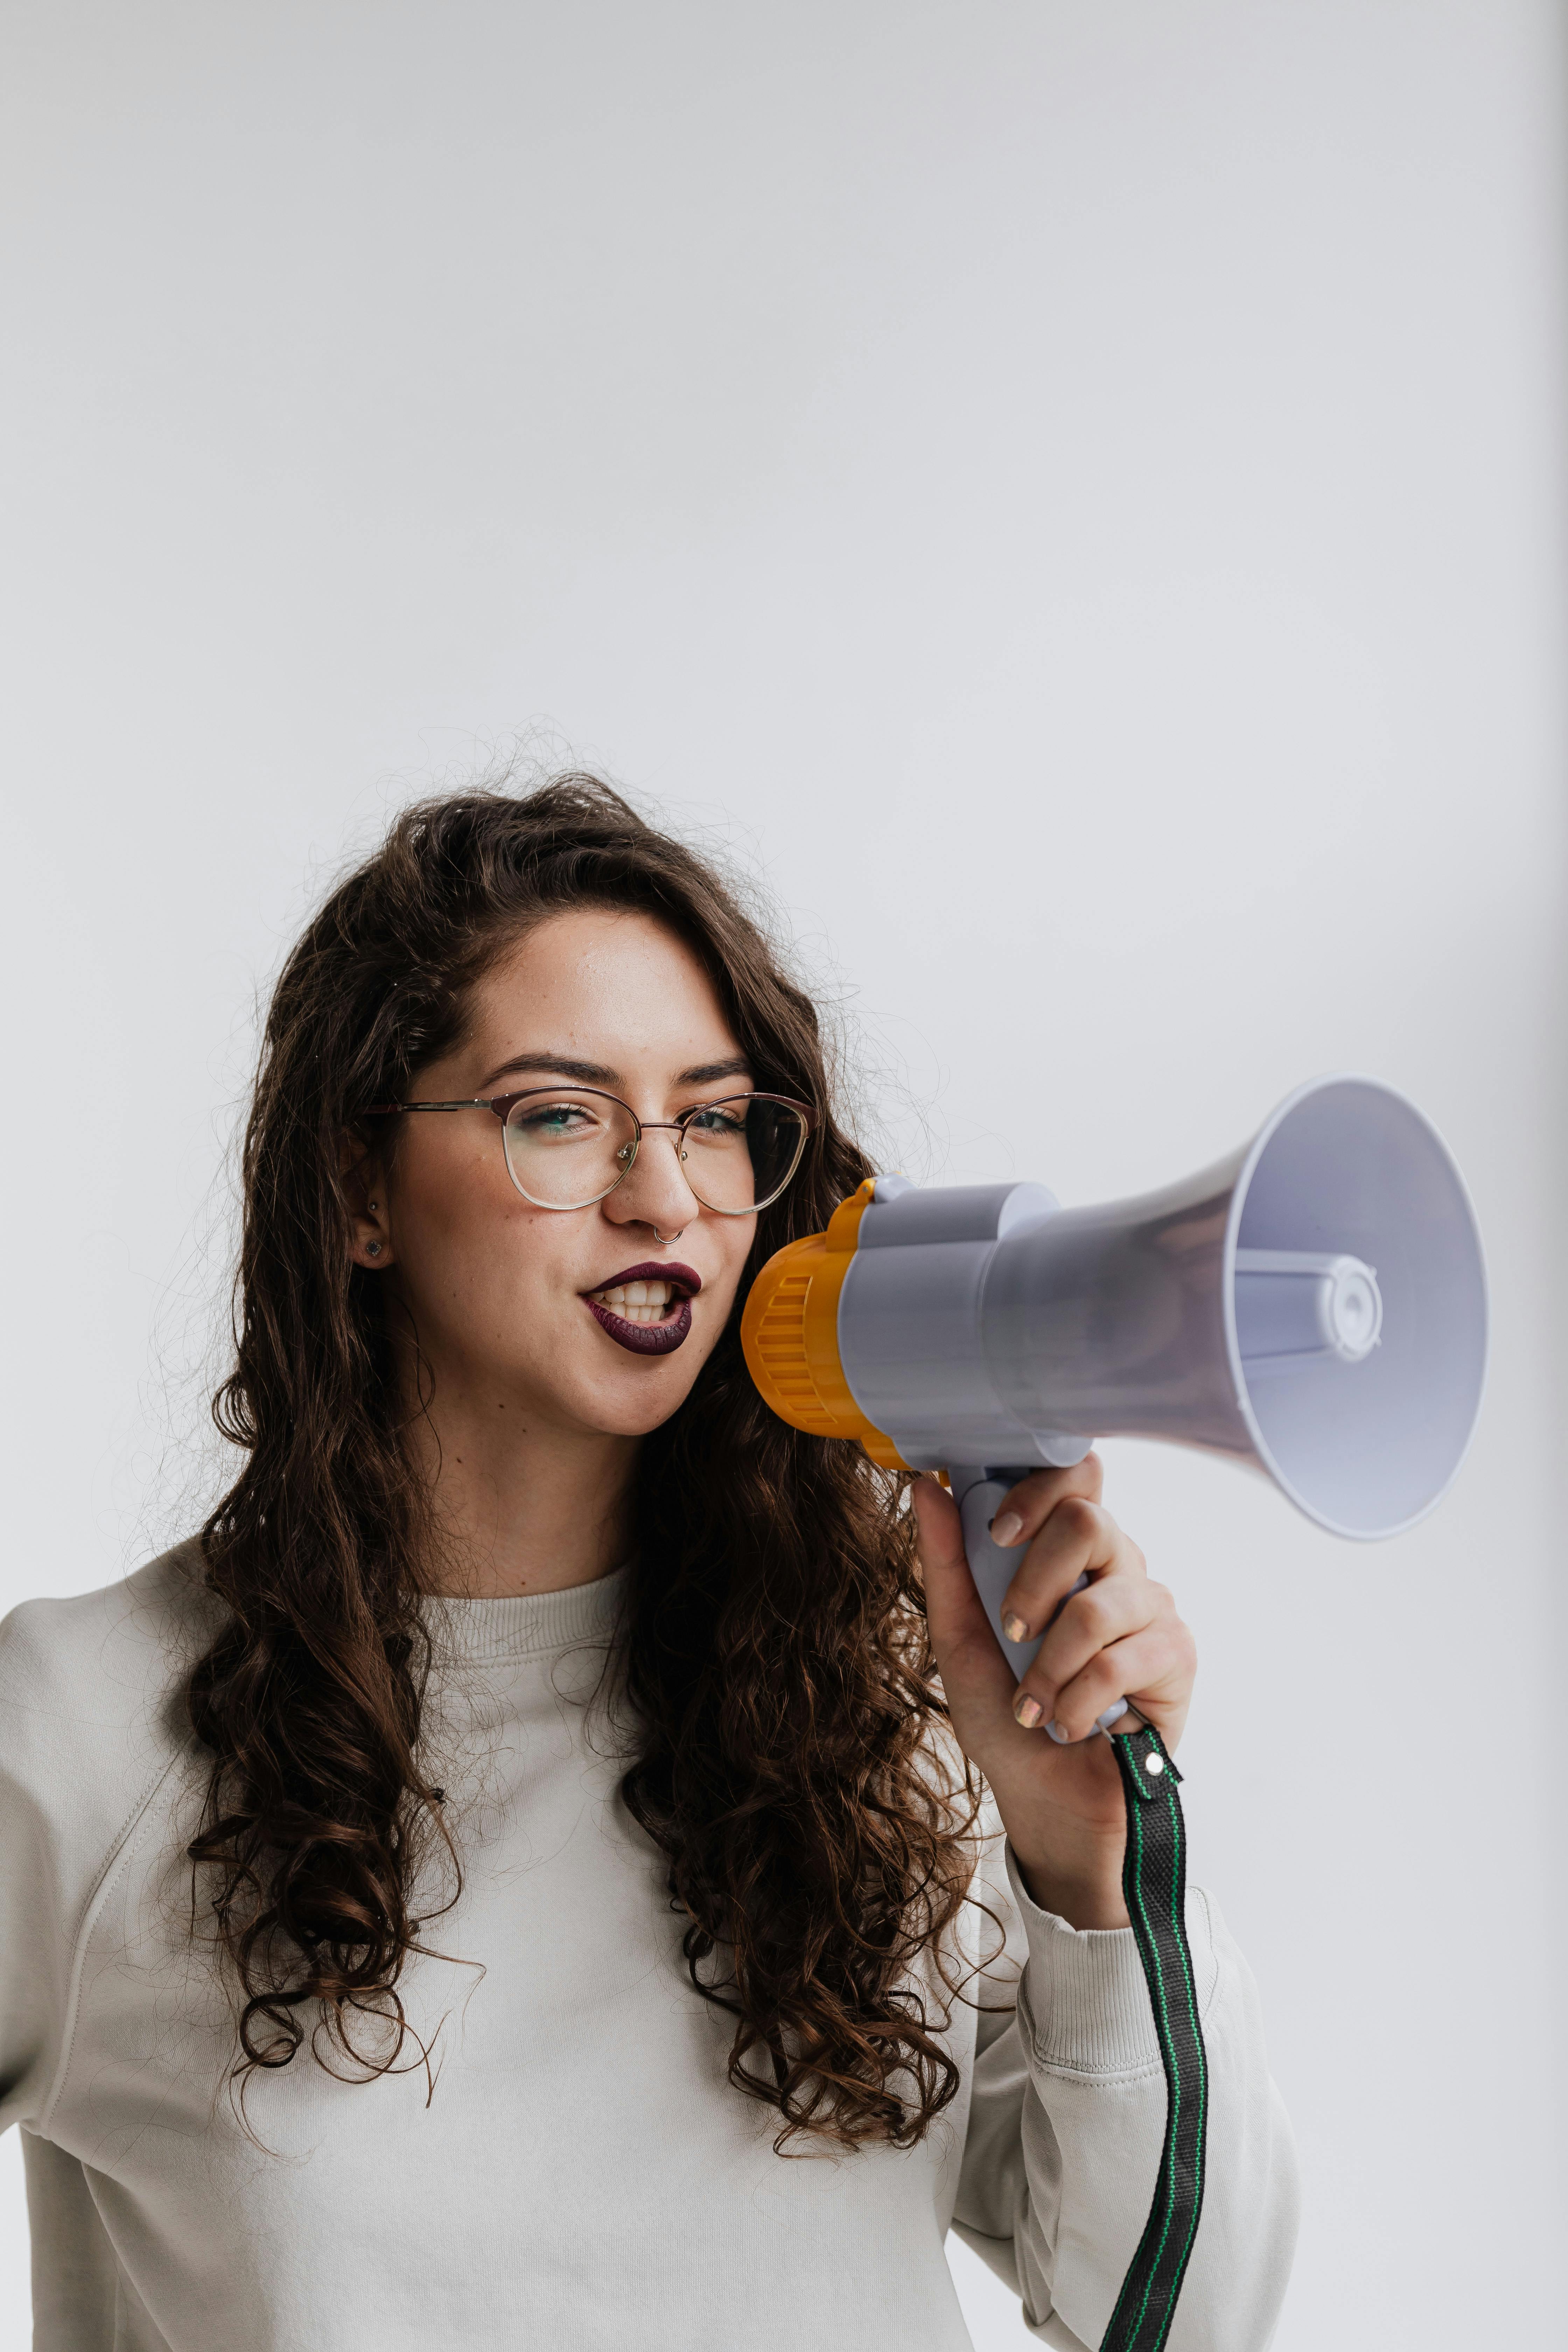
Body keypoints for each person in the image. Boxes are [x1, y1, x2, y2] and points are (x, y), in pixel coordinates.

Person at [0, 778, 1298, 2351]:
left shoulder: (885, 1725)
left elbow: (1185, 2317)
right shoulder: (83, 1737)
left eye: (712, 1119)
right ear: (357, 1191)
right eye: (561, 1115)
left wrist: (1089, 1879)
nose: (666, 1197)